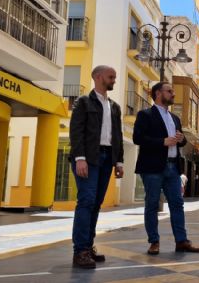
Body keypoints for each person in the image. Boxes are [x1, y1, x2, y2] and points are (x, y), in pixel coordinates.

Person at [133, 82, 199, 255]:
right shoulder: (145, 114)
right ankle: (154, 242)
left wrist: (181, 139)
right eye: (169, 91)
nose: (173, 94)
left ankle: (181, 241)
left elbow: (183, 141)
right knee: (152, 204)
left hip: (173, 167)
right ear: (158, 93)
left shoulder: (175, 118)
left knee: (177, 204)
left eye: (173, 91)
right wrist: (162, 142)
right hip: (152, 167)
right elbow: (137, 138)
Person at [69, 65, 124, 268]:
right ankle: (80, 251)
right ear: (98, 77)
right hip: (88, 158)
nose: (114, 80)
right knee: (86, 201)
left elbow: (116, 136)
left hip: (107, 158)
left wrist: (119, 161)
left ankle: (88, 247)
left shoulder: (115, 106)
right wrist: (80, 158)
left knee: (96, 203)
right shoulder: (83, 102)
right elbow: (76, 131)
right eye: (111, 76)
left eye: (115, 77)